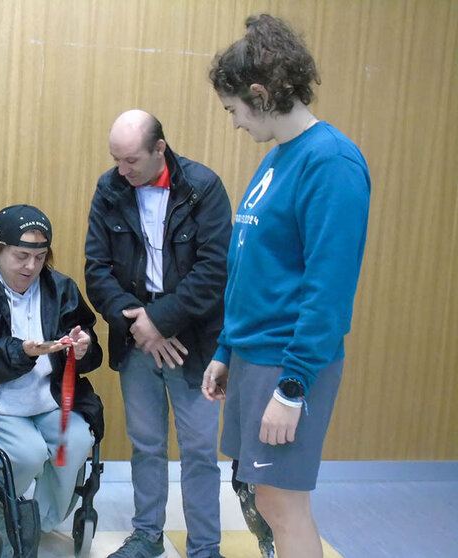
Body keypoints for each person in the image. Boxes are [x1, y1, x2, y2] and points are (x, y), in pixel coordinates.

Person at [202, 14, 370, 558]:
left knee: (283, 504)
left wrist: (292, 387)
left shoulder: (332, 163)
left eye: (234, 110)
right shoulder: (276, 159)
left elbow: (328, 290)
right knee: (262, 498)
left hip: (289, 363)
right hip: (254, 355)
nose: (234, 124)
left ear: (260, 93)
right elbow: (251, 266)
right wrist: (227, 349)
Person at [85, 109, 231, 558]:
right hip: (137, 340)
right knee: (146, 444)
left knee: (200, 450)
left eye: (131, 160)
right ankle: (146, 535)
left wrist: (161, 322)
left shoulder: (203, 188)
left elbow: (212, 272)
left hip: (194, 340)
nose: (122, 170)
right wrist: (141, 324)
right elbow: (98, 270)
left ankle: (205, 547)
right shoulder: (110, 189)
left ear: (160, 150)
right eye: (116, 159)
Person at [0, 204, 103, 554]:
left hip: (48, 397)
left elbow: (89, 341)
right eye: (21, 255)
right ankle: (7, 524)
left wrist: (84, 349)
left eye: (40, 257)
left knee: (72, 444)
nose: (31, 266)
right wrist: (18, 354)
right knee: (26, 455)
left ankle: (33, 522)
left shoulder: (59, 288)